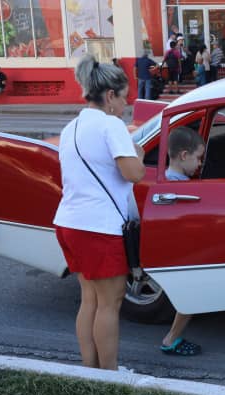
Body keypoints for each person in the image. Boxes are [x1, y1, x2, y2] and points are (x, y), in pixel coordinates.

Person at [52, 56, 145, 370]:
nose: (126, 104)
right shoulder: (111, 125)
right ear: (109, 96)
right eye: (124, 97)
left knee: (89, 298)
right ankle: (110, 374)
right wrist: (138, 154)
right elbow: (134, 173)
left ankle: (90, 370)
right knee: (110, 302)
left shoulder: (71, 128)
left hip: (69, 223)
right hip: (99, 227)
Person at [160, 127, 206, 356]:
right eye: (198, 158)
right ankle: (171, 339)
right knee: (191, 294)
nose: (200, 163)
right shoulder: (178, 188)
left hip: (179, 251)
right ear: (184, 155)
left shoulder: (168, 182)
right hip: (182, 254)